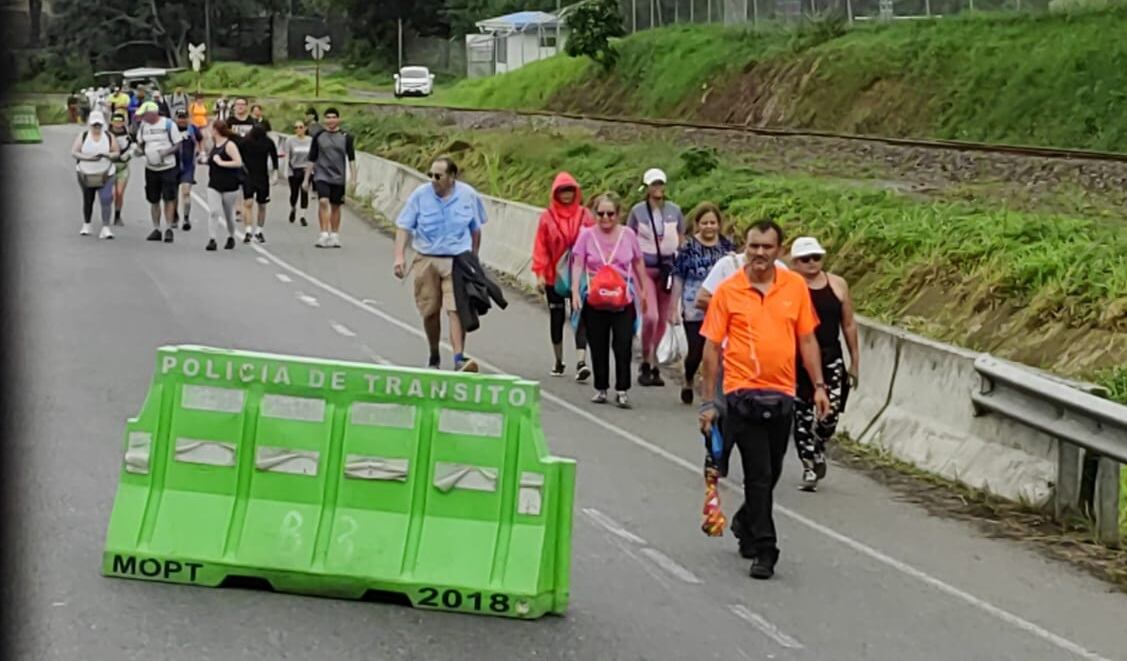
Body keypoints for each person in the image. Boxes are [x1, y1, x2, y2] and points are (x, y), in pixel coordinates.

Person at [698, 219, 830, 580]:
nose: (759, 254)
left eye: (767, 247)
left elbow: (806, 340)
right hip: (741, 394)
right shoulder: (728, 291)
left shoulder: (794, 288)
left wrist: (818, 385)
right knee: (758, 474)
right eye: (753, 246)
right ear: (745, 247)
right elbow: (711, 348)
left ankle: (745, 521)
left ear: (779, 251)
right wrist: (709, 402)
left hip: (783, 394)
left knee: (770, 474)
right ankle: (766, 549)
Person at [393, 156, 487, 372]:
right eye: (431, 175)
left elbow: (475, 229)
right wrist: (399, 256)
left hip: (457, 259)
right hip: (427, 258)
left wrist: (474, 257)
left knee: (456, 309)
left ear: (452, 177)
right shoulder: (420, 195)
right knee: (430, 311)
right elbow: (404, 227)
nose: (433, 180)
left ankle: (458, 358)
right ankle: (434, 353)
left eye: (438, 176)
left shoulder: (468, 195)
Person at [789, 237, 860, 491]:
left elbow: (849, 324)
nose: (811, 264)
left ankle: (819, 444)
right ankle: (809, 464)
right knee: (802, 413)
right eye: (805, 259)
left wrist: (854, 361)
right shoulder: (788, 287)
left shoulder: (837, 284)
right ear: (795, 262)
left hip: (831, 355)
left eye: (815, 258)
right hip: (797, 357)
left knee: (830, 414)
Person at [570, 193, 650, 409]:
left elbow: (638, 262)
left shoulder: (628, 235)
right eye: (601, 213)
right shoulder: (586, 235)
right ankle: (601, 387)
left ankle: (622, 389)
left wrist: (643, 292)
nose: (605, 218)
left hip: (623, 296)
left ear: (618, 214)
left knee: (623, 343)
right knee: (598, 343)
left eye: (610, 213)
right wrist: (575, 291)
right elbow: (577, 263)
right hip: (595, 296)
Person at [531, 172, 594, 380]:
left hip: (580, 275)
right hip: (554, 276)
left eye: (570, 191)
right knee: (557, 318)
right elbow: (540, 247)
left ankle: (581, 361)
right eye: (562, 191)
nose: (566, 195)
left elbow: (595, 243)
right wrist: (540, 273)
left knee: (581, 315)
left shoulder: (585, 215)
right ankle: (558, 360)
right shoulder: (547, 218)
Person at [626, 167, 685, 388]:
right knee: (650, 316)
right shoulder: (638, 211)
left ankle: (653, 363)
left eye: (660, 184)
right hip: (644, 269)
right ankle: (646, 356)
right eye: (653, 184)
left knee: (662, 318)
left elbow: (681, 236)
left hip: (667, 270)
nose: (657, 188)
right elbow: (629, 237)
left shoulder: (675, 211)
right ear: (647, 187)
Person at [672, 202, 734, 405]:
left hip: (720, 304)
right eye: (705, 223)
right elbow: (679, 277)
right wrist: (674, 307)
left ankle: (713, 390)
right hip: (693, 305)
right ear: (698, 224)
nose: (709, 227)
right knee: (696, 351)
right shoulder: (688, 247)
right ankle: (689, 377)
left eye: (713, 223)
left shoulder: (726, 247)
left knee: (719, 349)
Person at [305, 107, 357, 248]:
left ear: (338, 119)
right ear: (324, 120)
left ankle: (334, 234)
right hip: (321, 175)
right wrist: (306, 179)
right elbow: (312, 157)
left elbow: (351, 158)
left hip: (338, 176)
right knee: (323, 201)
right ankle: (323, 234)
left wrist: (353, 178)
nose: (331, 120)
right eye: (328, 117)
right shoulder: (319, 136)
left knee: (336, 206)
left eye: (333, 117)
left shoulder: (346, 137)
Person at [134, 101, 183, 243]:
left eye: (145, 115)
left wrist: (166, 152)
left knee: (168, 197)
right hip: (151, 167)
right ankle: (156, 228)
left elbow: (178, 143)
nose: (143, 117)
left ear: (153, 113)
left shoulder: (168, 124)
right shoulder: (143, 126)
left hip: (168, 166)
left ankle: (168, 228)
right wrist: (140, 151)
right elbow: (140, 143)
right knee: (153, 199)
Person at [71, 110, 120, 238]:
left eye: (99, 125)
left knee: (106, 198)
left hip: (106, 172)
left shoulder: (109, 136)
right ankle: (87, 224)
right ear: (90, 124)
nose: (96, 127)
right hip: (85, 172)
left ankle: (105, 227)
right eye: (94, 125)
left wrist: (107, 155)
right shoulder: (83, 135)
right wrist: (88, 158)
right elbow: (74, 152)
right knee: (88, 199)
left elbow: (116, 152)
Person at [204, 119, 243, 251]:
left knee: (228, 214)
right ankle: (212, 239)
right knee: (214, 211)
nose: (209, 131)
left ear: (216, 130)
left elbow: (238, 162)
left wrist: (222, 163)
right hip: (214, 183)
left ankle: (231, 236)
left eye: (211, 128)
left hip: (229, 184)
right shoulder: (212, 144)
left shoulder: (229, 145)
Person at [238, 124, 279, 243]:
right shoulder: (245, 142)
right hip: (249, 176)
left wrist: (275, 172)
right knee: (248, 202)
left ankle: (259, 230)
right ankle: (248, 230)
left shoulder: (267, 142)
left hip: (262, 176)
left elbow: (274, 156)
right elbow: (238, 156)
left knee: (262, 204)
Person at [173, 109, 203, 231]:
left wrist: (201, 152)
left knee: (186, 192)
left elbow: (201, 139)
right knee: (173, 194)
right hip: (172, 165)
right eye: (180, 117)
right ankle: (174, 216)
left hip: (188, 166)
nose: (182, 120)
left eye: (184, 117)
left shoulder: (192, 129)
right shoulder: (171, 129)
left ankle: (186, 218)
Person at [281, 120, 313, 226]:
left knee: (304, 192)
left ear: (305, 128)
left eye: (300, 127)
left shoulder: (310, 141)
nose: (298, 129)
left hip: (306, 170)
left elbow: (313, 157)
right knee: (294, 193)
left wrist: (312, 169)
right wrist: (286, 171)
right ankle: (293, 208)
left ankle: (303, 216)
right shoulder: (290, 140)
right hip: (294, 170)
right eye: (296, 127)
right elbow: (287, 156)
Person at [107, 112, 134, 227]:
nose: (118, 124)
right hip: (108, 167)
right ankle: (106, 213)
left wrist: (129, 155)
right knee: (109, 194)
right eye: (115, 121)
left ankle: (117, 215)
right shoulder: (106, 135)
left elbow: (133, 148)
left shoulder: (128, 136)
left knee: (119, 193)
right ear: (111, 122)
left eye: (120, 121)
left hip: (123, 167)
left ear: (123, 122)